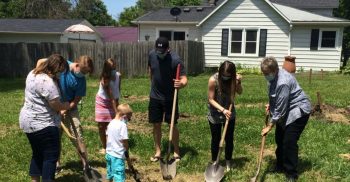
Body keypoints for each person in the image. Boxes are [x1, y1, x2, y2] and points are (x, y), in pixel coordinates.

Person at [19, 54, 70, 182]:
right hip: (44, 125)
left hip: (27, 122)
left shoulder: (33, 73)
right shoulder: (48, 82)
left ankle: (35, 180)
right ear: (55, 69)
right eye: (60, 71)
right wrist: (66, 105)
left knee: (37, 153)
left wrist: (54, 60)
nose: (60, 75)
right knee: (50, 156)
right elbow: (56, 105)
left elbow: (40, 60)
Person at [260, 56, 311, 182]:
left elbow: (281, 110)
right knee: (279, 139)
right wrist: (271, 104)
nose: (265, 75)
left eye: (267, 73)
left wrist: (269, 126)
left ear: (275, 71)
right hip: (286, 110)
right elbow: (276, 97)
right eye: (264, 73)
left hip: (298, 112)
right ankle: (280, 165)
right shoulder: (274, 77)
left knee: (289, 142)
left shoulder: (283, 82)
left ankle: (291, 173)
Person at [148, 37, 188, 162]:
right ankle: (158, 151)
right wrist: (152, 84)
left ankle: (176, 151)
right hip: (155, 96)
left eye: (162, 52)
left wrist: (181, 84)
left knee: (172, 124)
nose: (159, 54)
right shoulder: (152, 54)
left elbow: (184, 78)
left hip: (171, 97)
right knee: (156, 124)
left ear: (168, 49)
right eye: (158, 51)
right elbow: (151, 70)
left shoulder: (176, 60)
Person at [59, 55, 94, 171]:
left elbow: (76, 100)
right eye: (83, 71)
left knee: (77, 134)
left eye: (87, 72)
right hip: (54, 106)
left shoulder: (81, 81)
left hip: (70, 107)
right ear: (77, 65)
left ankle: (85, 164)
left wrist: (65, 109)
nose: (84, 74)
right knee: (55, 136)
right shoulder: (63, 65)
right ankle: (56, 164)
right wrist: (58, 109)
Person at [207, 61, 242, 171]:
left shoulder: (233, 80)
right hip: (215, 113)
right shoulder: (213, 80)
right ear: (220, 71)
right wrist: (223, 110)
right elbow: (211, 99)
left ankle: (228, 161)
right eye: (224, 75)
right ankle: (214, 161)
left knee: (229, 138)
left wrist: (238, 83)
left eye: (228, 75)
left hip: (230, 113)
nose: (226, 77)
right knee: (216, 138)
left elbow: (240, 92)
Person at [95, 58, 121, 154]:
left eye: (114, 68)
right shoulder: (104, 79)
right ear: (107, 69)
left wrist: (118, 104)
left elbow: (117, 91)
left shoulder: (118, 76)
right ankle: (105, 147)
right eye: (111, 69)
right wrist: (116, 112)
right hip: (102, 103)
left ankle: (113, 145)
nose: (114, 70)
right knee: (102, 126)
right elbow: (111, 97)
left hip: (114, 101)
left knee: (112, 126)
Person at [105, 103, 133, 182]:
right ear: (124, 116)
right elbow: (124, 141)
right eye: (128, 118)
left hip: (109, 154)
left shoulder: (111, 123)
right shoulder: (122, 125)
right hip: (118, 156)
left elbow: (107, 137)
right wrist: (126, 148)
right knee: (119, 177)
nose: (128, 121)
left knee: (110, 173)